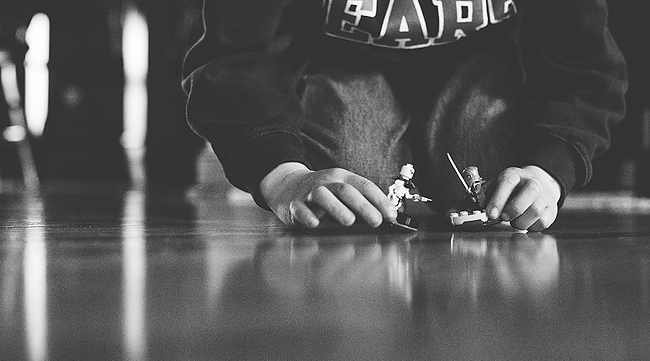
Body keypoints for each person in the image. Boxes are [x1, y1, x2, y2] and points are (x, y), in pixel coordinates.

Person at [182, 0, 627, 231]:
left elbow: (583, 62)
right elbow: (235, 58)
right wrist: (280, 175)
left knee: (497, 190)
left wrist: (547, 168)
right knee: (349, 199)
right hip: (334, 65)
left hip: (484, 67)